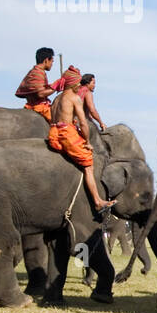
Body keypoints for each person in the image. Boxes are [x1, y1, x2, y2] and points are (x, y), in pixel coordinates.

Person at [46, 66, 115, 213]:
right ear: (72, 84)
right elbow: (83, 123)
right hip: (66, 134)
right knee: (88, 163)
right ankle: (97, 201)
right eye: (77, 83)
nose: (79, 85)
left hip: (53, 132)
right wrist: (87, 142)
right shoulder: (74, 98)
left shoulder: (57, 98)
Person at [15, 47, 63, 120]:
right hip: (39, 107)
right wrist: (56, 86)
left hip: (37, 106)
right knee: (62, 122)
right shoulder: (38, 73)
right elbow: (40, 94)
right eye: (52, 61)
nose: (52, 64)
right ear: (46, 60)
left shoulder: (36, 71)